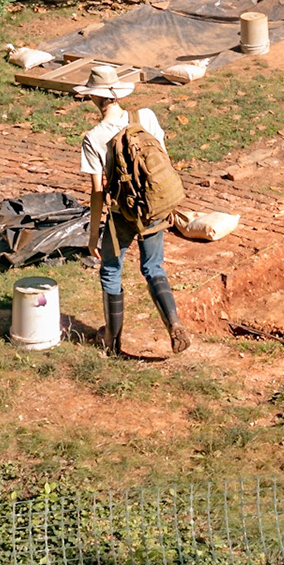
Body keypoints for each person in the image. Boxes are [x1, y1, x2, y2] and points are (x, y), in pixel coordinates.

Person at [78, 66, 191, 357]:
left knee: (111, 270)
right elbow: (163, 160)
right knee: (153, 268)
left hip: (122, 215)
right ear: (116, 95)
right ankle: (174, 325)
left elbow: (97, 192)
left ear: (95, 98)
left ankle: (113, 344)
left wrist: (94, 235)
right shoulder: (146, 117)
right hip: (154, 207)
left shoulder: (94, 137)